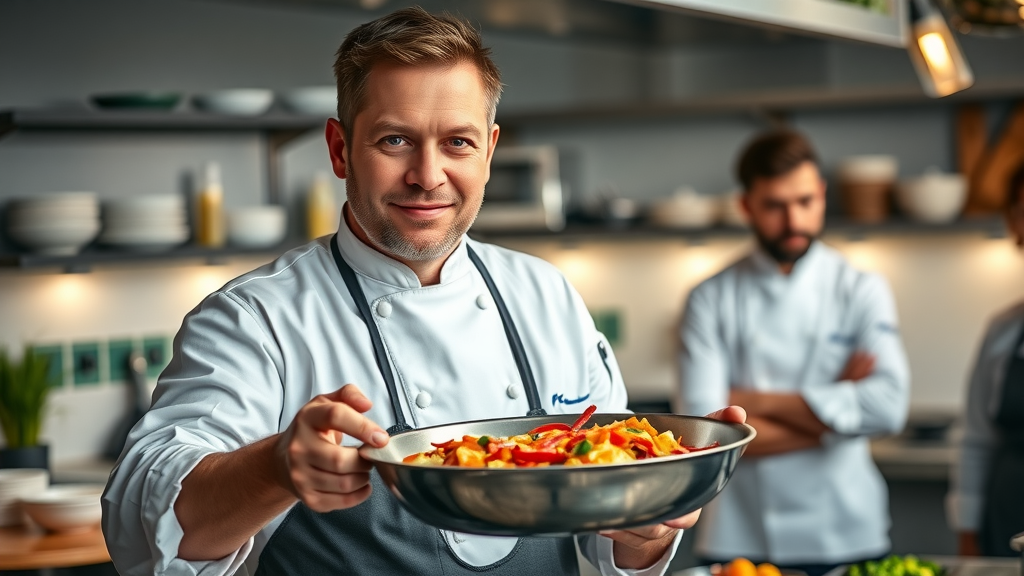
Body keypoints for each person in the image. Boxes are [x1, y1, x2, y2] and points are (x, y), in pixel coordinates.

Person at [101, 8, 743, 576]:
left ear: (488, 152)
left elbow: (616, 546)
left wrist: (647, 520)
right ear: (339, 148)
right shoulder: (253, 318)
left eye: (457, 143)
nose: (427, 175)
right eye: (395, 140)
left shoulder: (544, 294)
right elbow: (138, 528)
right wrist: (275, 468)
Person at [675, 131, 910, 576]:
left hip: (845, 530)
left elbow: (889, 408)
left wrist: (754, 401)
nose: (794, 219)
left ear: (822, 194)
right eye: (775, 206)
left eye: (805, 201)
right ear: (746, 206)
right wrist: (840, 417)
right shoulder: (709, 298)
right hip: (741, 538)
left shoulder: (861, 288)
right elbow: (705, 434)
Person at [947, 163, 1024, 557]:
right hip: (1007, 515)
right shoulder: (1003, 330)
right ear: (1014, 223)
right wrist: (967, 532)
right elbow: (976, 440)